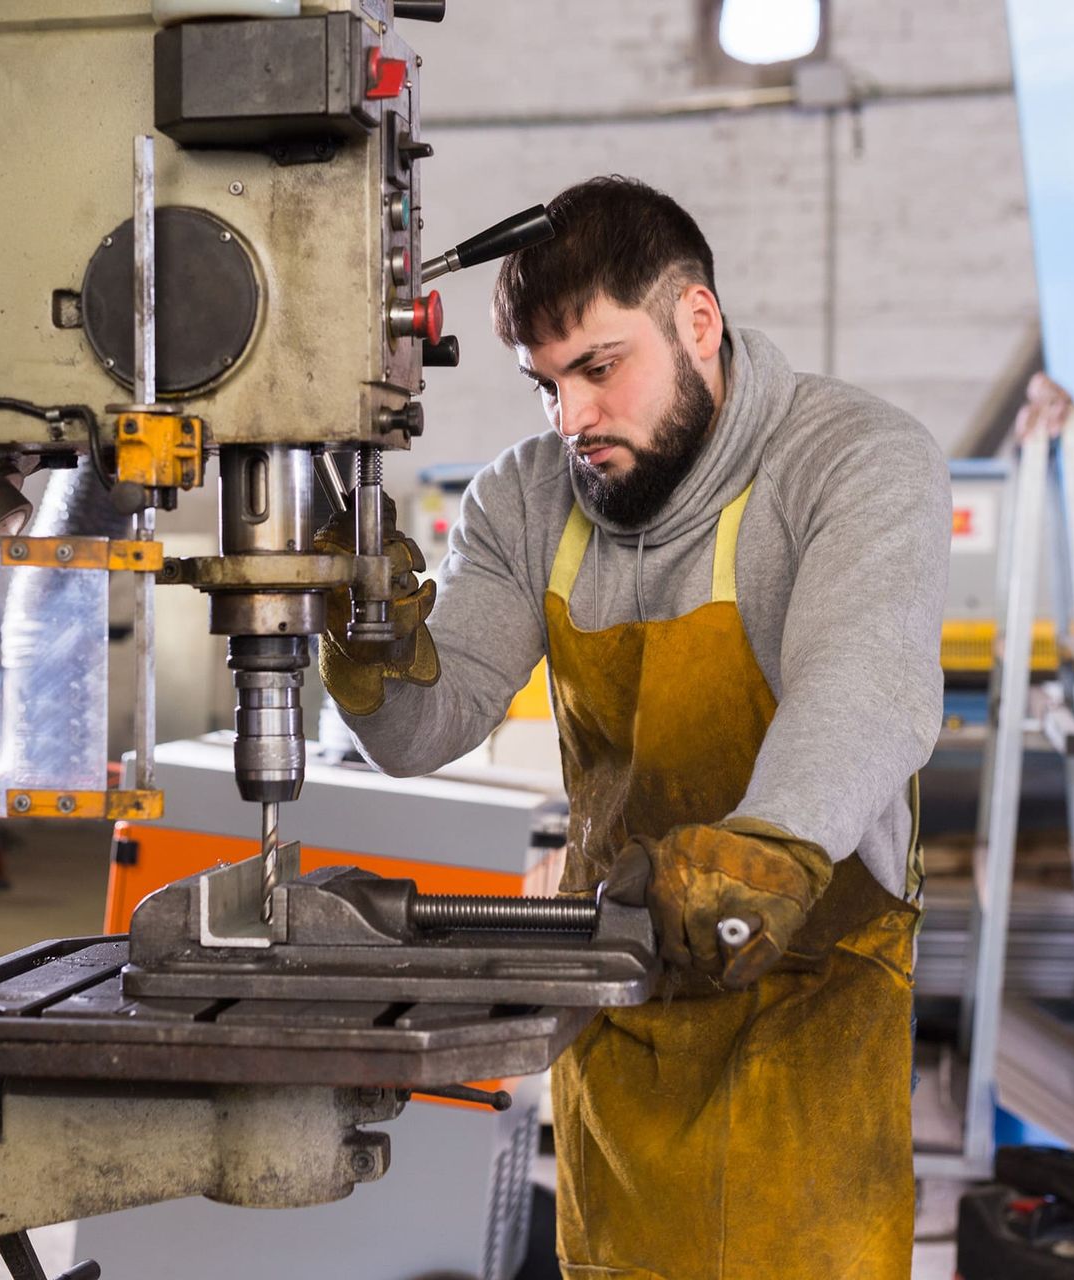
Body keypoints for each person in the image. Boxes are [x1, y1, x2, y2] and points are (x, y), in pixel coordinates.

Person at [319, 175, 951, 1278]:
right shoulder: (525, 496)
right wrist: (364, 633)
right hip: (617, 1001)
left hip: (806, 1018)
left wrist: (770, 848)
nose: (572, 420)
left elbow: (864, 686)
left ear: (695, 322)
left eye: (600, 369)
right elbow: (424, 725)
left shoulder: (854, 459)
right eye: (544, 386)